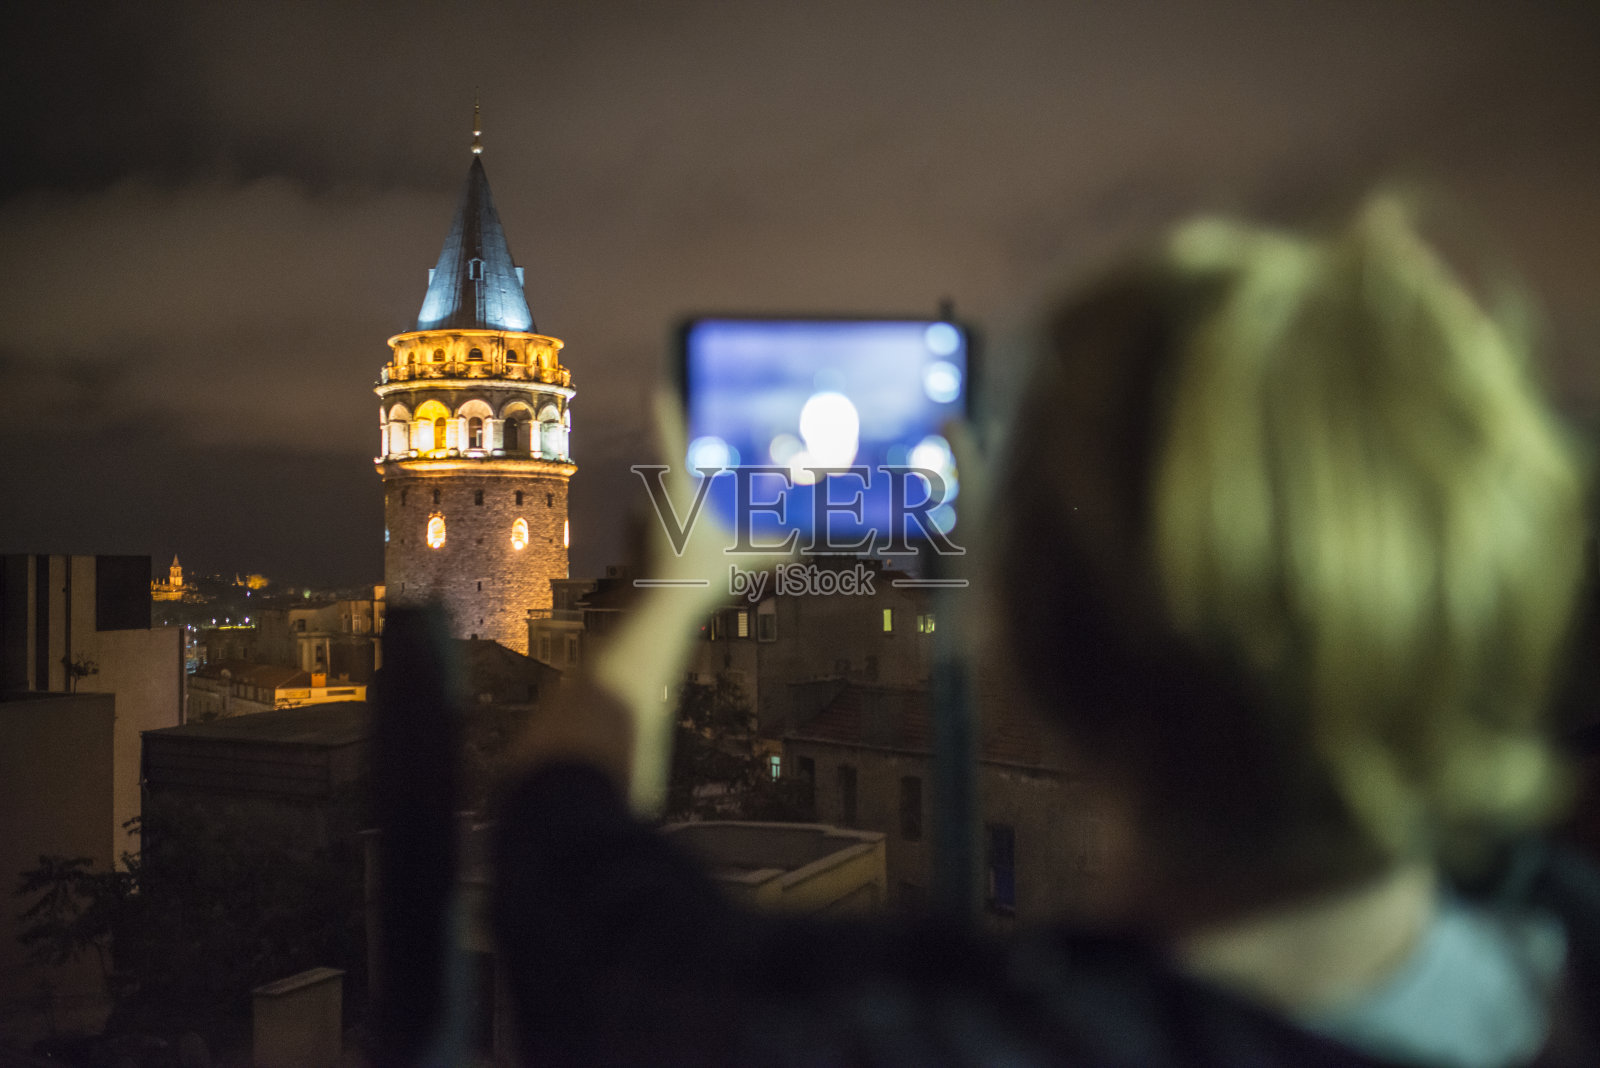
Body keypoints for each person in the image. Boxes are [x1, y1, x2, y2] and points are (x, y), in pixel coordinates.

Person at [489, 197, 1600, 1065]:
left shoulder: (924, 1039)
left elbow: (567, 882)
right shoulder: (1565, 958)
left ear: (1040, 655)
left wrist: (671, 596)